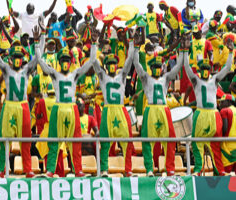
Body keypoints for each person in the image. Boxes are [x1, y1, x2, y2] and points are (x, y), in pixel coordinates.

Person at [36, 28, 98, 177]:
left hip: (72, 108)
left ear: (70, 62)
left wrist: (94, 44)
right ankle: (50, 170)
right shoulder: (54, 74)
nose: (65, 62)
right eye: (62, 60)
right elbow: (40, 61)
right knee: (54, 141)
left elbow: (91, 62)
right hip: (58, 107)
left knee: (75, 142)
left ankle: (78, 170)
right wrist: (37, 43)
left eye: (67, 60)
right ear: (59, 61)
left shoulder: (75, 74)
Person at [133, 29, 184, 177]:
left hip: (164, 109)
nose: (156, 69)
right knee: (147, 140)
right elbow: (136, 63)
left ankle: (170, 169)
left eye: (158, 67)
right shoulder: (145, 78)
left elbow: (178, 66)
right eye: (154, 67)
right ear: (151, 68)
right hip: (151, 109)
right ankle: (150, 168)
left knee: (170, 139)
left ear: (161, 68)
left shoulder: (166, 78)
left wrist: (183, 50)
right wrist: (136, 47)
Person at [0, 26, 42, 178]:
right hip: (9, 106)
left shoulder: (26, 70)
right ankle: (1, 170)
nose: (16, 59)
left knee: (26, 141)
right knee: (4, 140)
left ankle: (28, 170)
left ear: (22, 59)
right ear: (10, 59)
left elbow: (37, 58)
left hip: (23, 106)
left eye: (19, 57)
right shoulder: (7, 70)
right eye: (14, 57)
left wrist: (36, 41)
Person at [183, 37, 234, 176]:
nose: (205, 71)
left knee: (215, 144)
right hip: (200, 113)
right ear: (199, 70)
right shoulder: (196, 81)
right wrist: (185, 51)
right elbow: (187, 68)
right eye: (203, 69)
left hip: (213, 114)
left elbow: (227, 68)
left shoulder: (215, 80)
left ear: (210, 69)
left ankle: (220, 171)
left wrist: (230, 52)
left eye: (207, 69)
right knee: (196, 142)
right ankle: (198, 170)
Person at [93, 29, 135, 177]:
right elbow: (93, 61)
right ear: (106, 66)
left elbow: (129, 60)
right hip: (108, 110)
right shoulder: (103, 77)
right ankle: (104, 169)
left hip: (121, 110)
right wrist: (94, 44)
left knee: (127, 142)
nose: (112, 65)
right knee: (105, 142)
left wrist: (130, 41)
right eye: (109, 63)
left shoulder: (122, 75)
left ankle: (128, 170)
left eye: (114, 63)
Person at [220, 94, 236, 173]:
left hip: (227, 149)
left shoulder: (225, 111)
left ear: (228, 102)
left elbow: (225, 128)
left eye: (222, 102)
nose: (220, 105)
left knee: (226, 176)